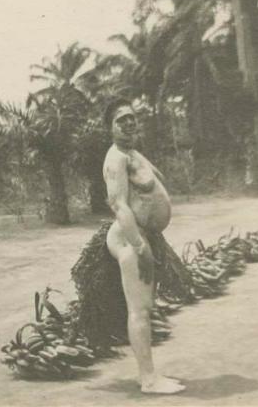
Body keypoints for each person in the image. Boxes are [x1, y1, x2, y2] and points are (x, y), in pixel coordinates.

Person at [101, 98, 186, 394]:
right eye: (120, 119)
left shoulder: (133, 152)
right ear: (110, 127)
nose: (128, 123)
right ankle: (148, 379)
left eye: (131, 118)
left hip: (141, 235)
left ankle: (149, 375)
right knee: (139, 310)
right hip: (129, 238)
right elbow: (119, 205)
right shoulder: (116, 159)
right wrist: (140, 246)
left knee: (145, 307)